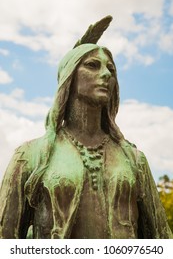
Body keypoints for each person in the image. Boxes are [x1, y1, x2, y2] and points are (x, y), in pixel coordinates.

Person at [0, 17, 172, 239]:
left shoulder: (134, 159)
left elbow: (161, 237)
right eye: (92, 65)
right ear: (69, 78)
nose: (107, 74)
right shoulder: (30, 156)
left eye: (111, 69)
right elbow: (6, 238)